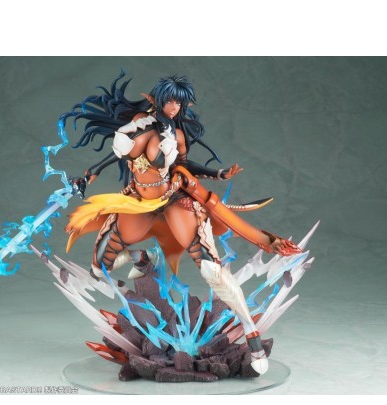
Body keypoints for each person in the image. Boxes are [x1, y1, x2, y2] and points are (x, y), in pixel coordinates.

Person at [62, 72, 301, 375]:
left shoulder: (176, 133)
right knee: (99, 267)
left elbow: (182, 164)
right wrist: (87, 177)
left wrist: (218, 174)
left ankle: (252, 336)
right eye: (170, 101)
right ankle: (142, 258)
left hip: (174, 198)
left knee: (212, 269)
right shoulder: (140, 125)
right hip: (139, 203)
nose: (175, 107)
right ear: (158, 100)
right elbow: (116, 155)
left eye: (179, 103)